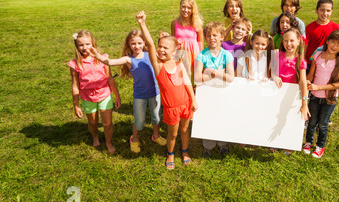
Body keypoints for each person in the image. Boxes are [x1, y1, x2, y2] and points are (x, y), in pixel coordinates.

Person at [136, 11, 198, 170]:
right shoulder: (159, 67)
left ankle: (185, 151)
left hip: (185, 103)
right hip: (171, 108)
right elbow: (149, 44)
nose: (161, 50)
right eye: (160, 47)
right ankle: (170, 153)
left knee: (185, 130)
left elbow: (187, 83)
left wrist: (193, 100)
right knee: (173, 134)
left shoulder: (179, 64)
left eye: (165, 47)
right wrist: (142, 24)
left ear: (174, 50)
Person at [89, 29, 166, 154]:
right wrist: (97, 55)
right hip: (140, 96)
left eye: (140, 43)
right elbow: (111, 62)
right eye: (133, 44)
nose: (137, 46)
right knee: (140, 123)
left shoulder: (150, 55)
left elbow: (165, 52)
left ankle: (156, 136)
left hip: (155, 93)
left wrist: (163, 39)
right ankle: (134, 138)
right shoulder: (128, 59)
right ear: (129, 45)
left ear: (144, 43)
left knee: (156, 119)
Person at [68, 30, 121, 154]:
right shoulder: (75, 64)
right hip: (87, 98)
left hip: (104, 96)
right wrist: (76, 105)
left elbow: (110, 78)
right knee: (93, 122)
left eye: (88, 44)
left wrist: (117, 96)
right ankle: (95, 136)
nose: (85, 47)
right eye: (81, 45)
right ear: (77, 46)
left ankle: (108, 142)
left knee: (107, 123)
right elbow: (75, 86)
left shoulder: (102, 59)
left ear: (93, 43)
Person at [302, 29, 339, 158]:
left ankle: (320, 146)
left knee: (323, 124)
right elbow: (311, 75)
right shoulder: (318, 56)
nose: (334, 46)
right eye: (333, 41)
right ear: (328, 40)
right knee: (311, 121)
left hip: (329, 99)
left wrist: (318, 87)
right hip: (314, 97)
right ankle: (308, 142)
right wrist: (305, 83)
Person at [194, 21, 235, 157]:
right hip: (207, 94)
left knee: (221, 116)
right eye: (208, 35)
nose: (212, 38)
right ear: (205, 38)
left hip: (222, 93)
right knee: (208, 117)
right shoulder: (202, 55)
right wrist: (217, 73)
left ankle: (222, 143)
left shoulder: (226, 55)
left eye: (215, 35)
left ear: (222, 36)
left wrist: (209, 72)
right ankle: (208, 146)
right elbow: (197, 78)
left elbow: (230, 77)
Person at [272, 28, 310, 154]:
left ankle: (289, 144)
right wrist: (275, 77)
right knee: (276, 115)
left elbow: (303, 82)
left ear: (299, 41)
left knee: (289, 119)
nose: (289, 44)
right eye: (286, 41)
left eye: (292, 41)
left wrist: (305, 103)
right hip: (277, 93)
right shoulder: (277, 55)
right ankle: (275, 142)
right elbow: (272, 71)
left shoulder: (301, 60)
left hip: (292, 95)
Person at [171, 0, 204, 83]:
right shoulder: (174, 23)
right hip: (180, 55)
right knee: (181, 81)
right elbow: (172, 42)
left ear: (193, 9)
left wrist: (202, 61)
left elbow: (200, 44)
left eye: (189, 8)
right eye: (183, 7)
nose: (186, 10)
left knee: (194, 81)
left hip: (194, 56)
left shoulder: (197, 24)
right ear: (180, 7)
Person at [305, 0, 339, 73]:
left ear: (331, 11)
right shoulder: (309, 28)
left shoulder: (337, 28)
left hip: (329, 64)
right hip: (310, 64)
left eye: (328, 11)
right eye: (322, 10)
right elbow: (304, 47)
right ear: (316, 10)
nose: (325, 13)